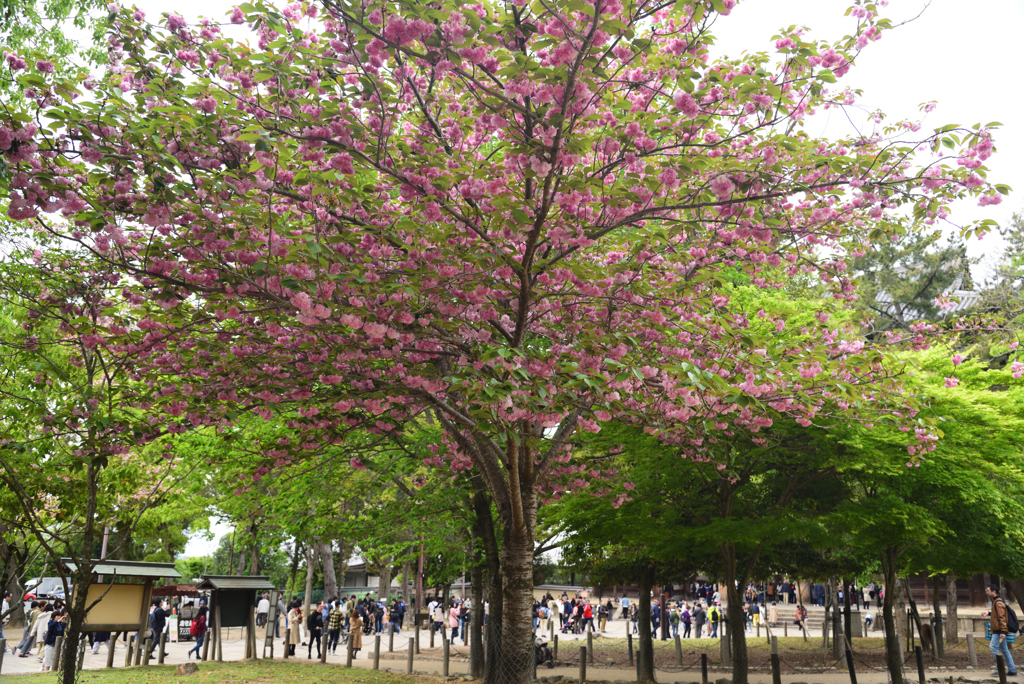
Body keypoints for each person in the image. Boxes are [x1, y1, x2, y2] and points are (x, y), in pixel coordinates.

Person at [982, 584, 1018, 677]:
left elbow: (1002, 618)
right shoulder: (995, 601)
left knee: (993, 647)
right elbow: (998, 615)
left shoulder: (998, 602)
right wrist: (989, 613)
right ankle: (1012, 670)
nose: (986, 592)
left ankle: (1000, 670)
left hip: (999, 631)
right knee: (1004, 650)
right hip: (999, 630)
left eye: (988, 590)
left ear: (994, 592)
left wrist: (1003, 631)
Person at [42, 608, 67, 672]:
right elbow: (51, 626)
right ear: (54, 617)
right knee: (48, 661)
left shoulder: (61, 624)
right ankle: (45, 670)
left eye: (59, 616)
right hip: (50, 643)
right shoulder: (51, 622)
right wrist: (57, 621)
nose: (59, 617)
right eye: (58, 616)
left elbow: (65, 627)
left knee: (57, 660)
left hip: (58, 644)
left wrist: (64, 619)